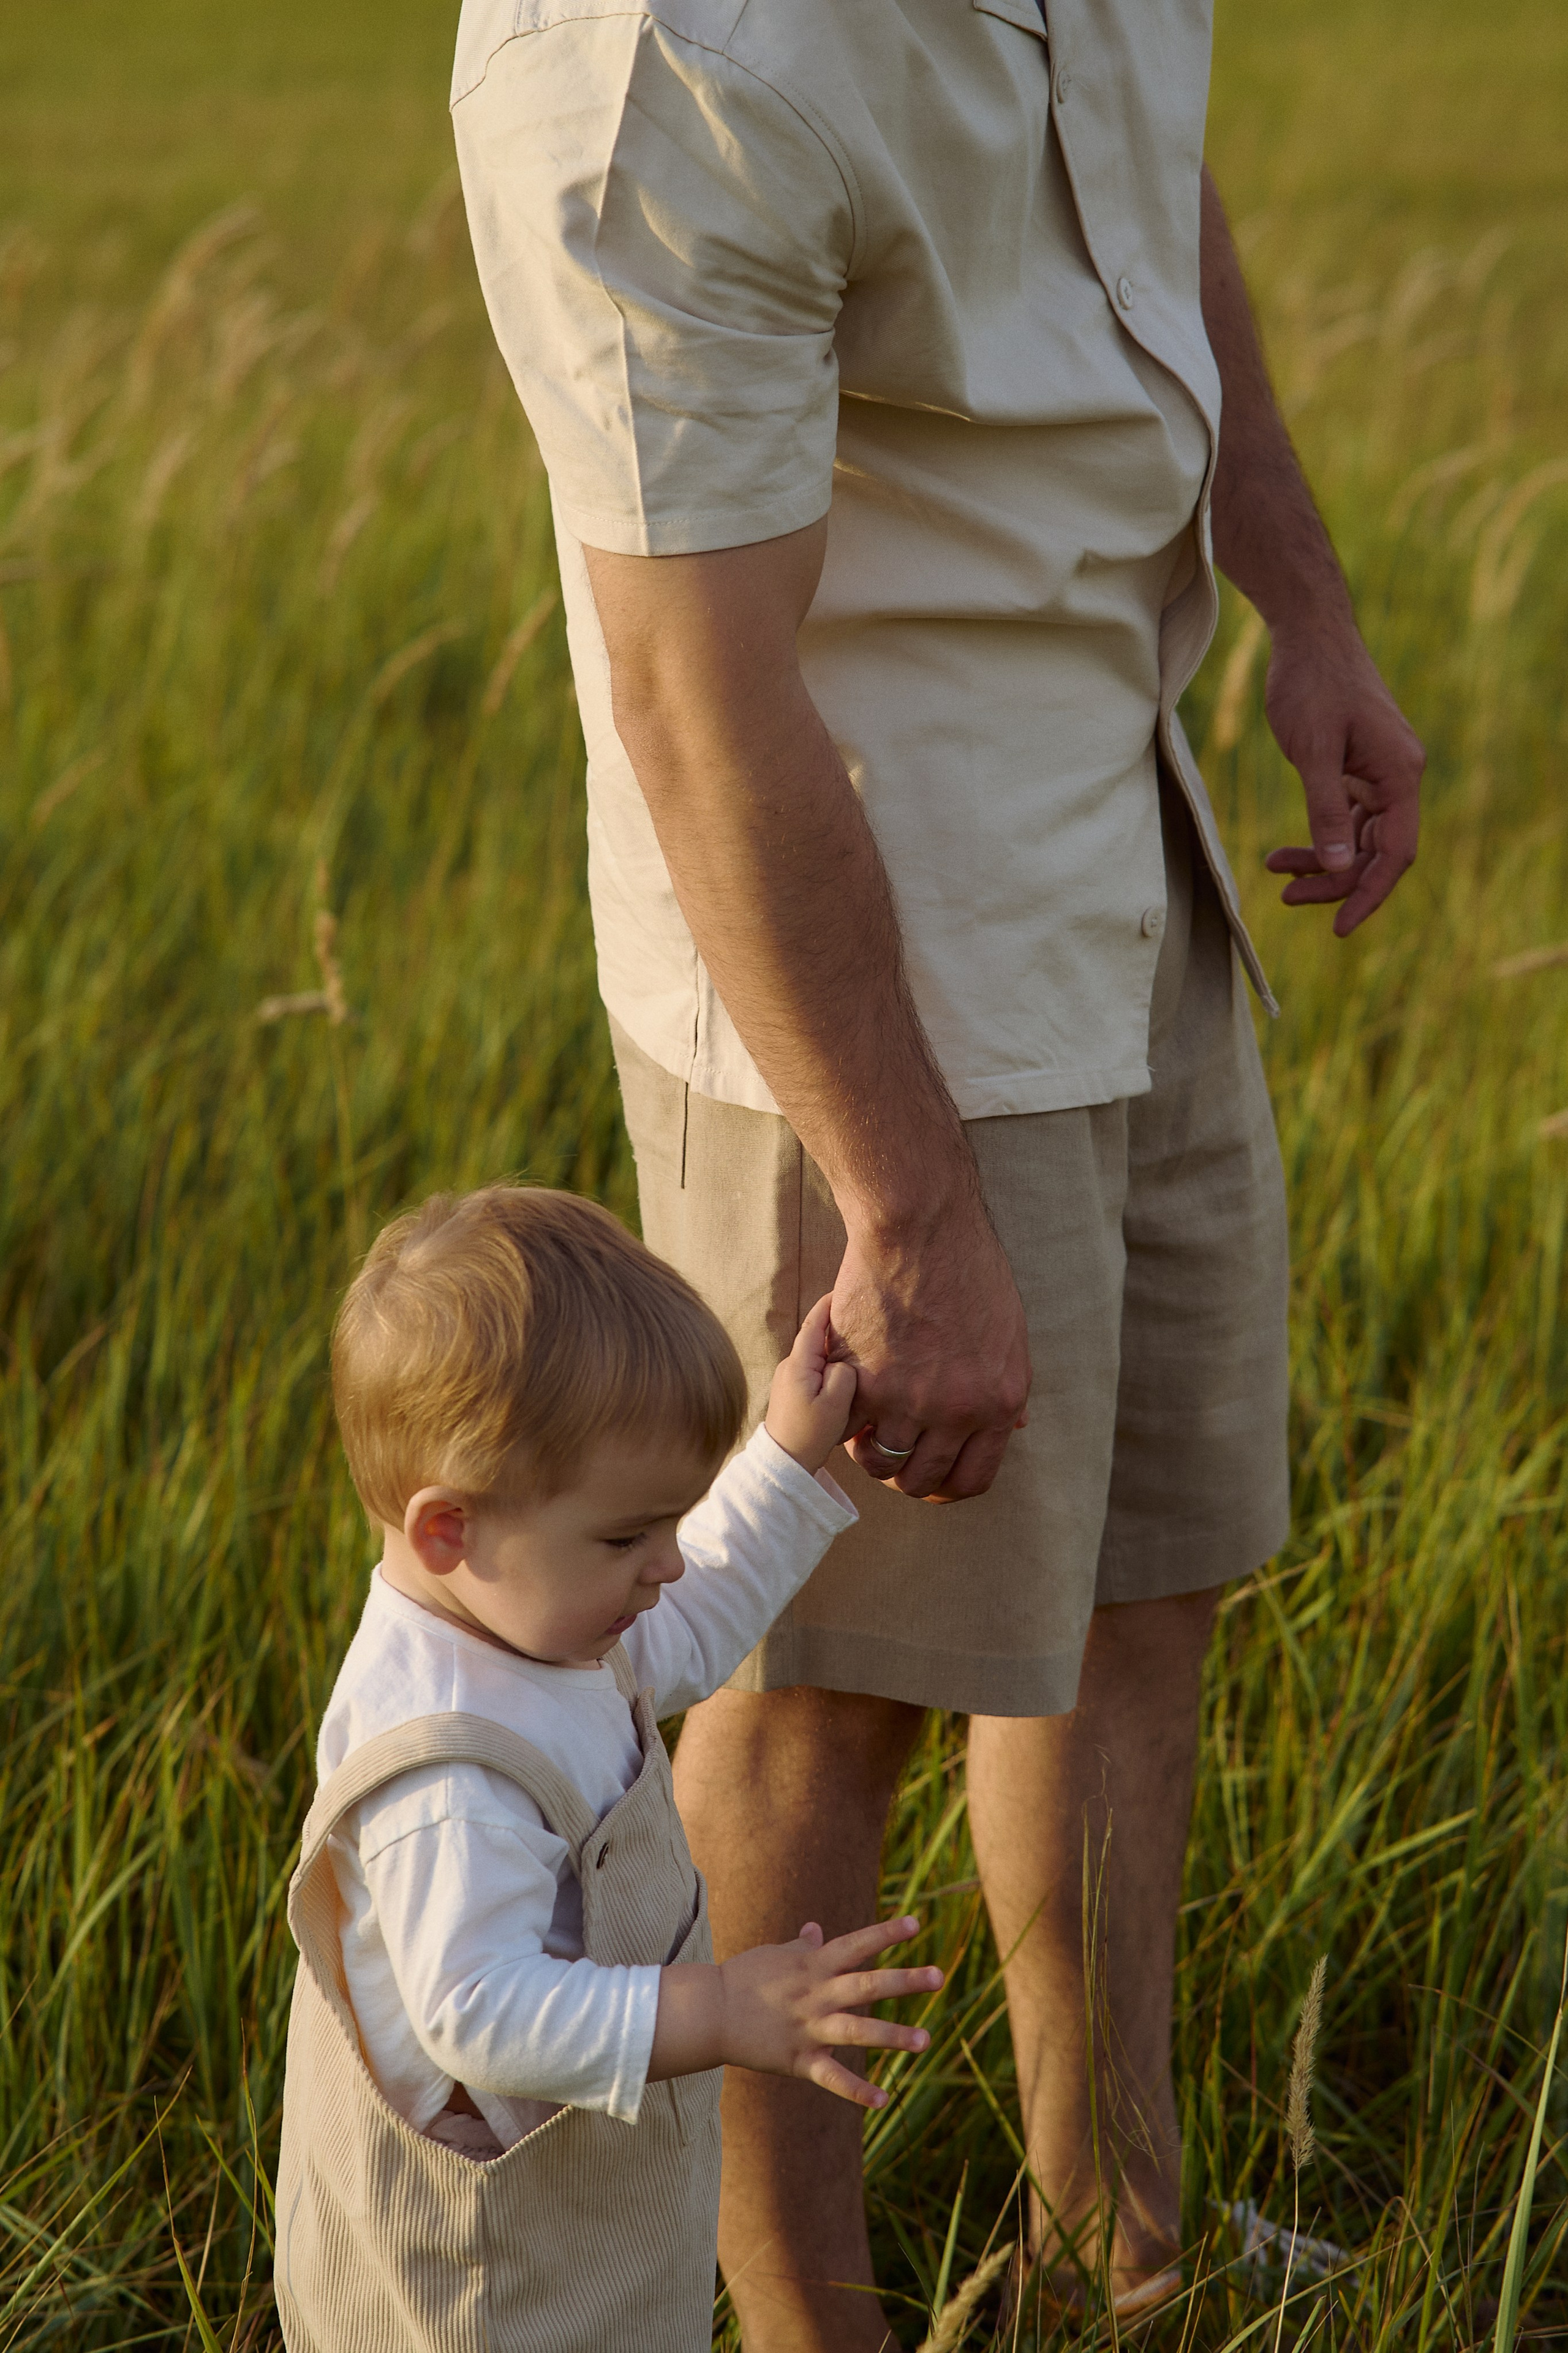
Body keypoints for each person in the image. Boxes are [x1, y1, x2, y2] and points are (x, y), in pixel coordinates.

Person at [451, 0, 1425, 2338]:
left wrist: (1302, 597)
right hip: (863, 961)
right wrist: (903, 1212)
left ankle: (1125, 2243)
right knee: (827, 1678)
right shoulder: (663, 64)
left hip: (1127, 811)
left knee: (1134, 1587)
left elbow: (1143, 190)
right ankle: (806, 2313)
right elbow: (699, 691)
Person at [273, 1184, 944, 2353]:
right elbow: (476, 2009)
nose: (666, 1564)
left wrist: (786, 1456)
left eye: (670, 1522)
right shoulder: (445, 1775)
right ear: (449, 1530)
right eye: (628, 1536)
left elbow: (683, 1634)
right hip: (489, 2280)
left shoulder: (529, 1617)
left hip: (583, 2206)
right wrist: (718, 2007)